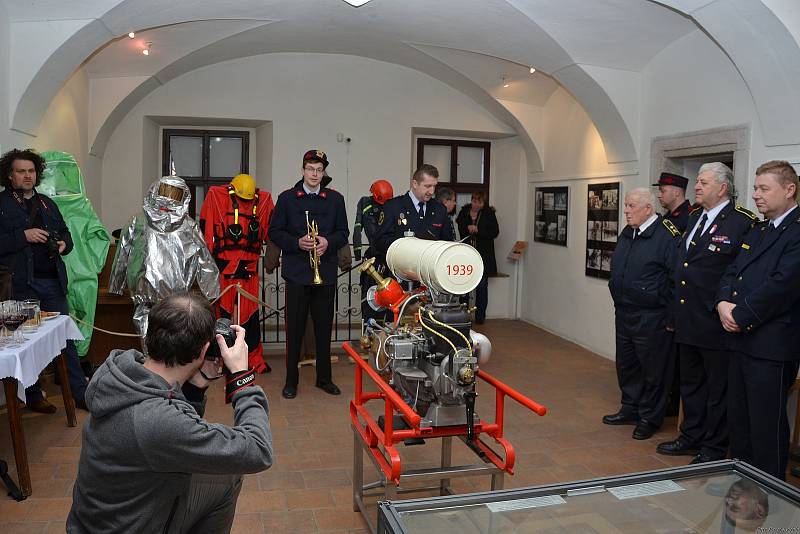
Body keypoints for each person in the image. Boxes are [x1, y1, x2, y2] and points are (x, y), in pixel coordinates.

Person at [67, 292, 273, 533]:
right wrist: (241, 377)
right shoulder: (156, 420)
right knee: (230, 470)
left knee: (226, 478)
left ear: (151, 334)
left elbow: (177, 429)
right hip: (128, 526)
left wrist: (195, 387)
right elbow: (258, 450)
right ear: (204, 350)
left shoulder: (121, 370)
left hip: (102, 519)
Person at [657, 162, 756, 465]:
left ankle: (713, 448)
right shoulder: (695, 217)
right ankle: (690, 437)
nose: (696, 187)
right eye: (697, 182)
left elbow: (741, 274)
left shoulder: (741, 222)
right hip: (687, 319)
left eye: (702, 182)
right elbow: (683, 266)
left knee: (717, 390)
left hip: (715, 323)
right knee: (691, 385)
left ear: (722, 187)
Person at [716, 160, 800, 480]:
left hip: (772, 345)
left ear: (789, 190)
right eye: (755, 188)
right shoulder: (759, 228)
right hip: (740, 340)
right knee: (739, 420)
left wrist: (739, 314)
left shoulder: (796, 232)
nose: (756, 195)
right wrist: (722, 303)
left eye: (764, 189)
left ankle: (769, 491)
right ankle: (741, 483)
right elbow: (731, 271)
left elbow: (783, 285)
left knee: (766, 424)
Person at [0, 148, 87, 412]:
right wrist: (22, 236)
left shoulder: (48, 203)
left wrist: (63, 245)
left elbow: (66, 236)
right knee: (22, 342)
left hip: (52, 282)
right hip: (18, 284)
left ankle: (80, 395)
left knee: (65, 341)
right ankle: (33, 396)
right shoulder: (2, 205)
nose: (27, 176)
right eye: (21, 171)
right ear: (9, 175)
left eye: (31, 171)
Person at [268, 150, 349, 399]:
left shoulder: (335, 199)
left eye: (319, 169)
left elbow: (343, 232)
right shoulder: (287, 198)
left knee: (325, 328)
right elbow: (275, 231)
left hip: (324, 273)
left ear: (323, 173)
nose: (314, 174)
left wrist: (328, 241)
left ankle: (324, 379)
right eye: (310, 169)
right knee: (295, 329)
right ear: (302, 170)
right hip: (296, 273)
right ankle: (291, 381)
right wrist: (296, 243)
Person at [603, 188, 681, 440]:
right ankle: (630, 408)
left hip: (653, 316)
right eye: (625, 205)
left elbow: (676, 279)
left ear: (648, 209)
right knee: (627, 365)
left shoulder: (667, 236)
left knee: (654, 370)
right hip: (624, 312)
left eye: (631, 206)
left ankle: (650, 417)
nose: (625, 211)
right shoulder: (629, 232)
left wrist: (671, 317)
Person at [109, 176, 220, 338]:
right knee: (173, 338)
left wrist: (116, 285)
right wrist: (212, 290)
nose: (168, 198)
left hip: (146, 294)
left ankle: (153, 362)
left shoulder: (138, 221)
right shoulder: (188, 226)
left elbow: (122, 254)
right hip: (176, 296)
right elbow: (204, 259)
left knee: (149, 338)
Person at [199, 173, 274, 374]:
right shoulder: (216, 196)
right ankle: (221, 357)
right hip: (225, 269)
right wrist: (214, 262)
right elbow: (206, 230)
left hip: (249, 269)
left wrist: (270, 260)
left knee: (250, 316)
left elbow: (272, 232)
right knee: (222, 316)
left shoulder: (265, 201)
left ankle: (252, 358)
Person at [374, 164, 455, 259]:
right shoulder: (393, 206)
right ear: (415, 184)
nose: (432, 191)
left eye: (434, 186)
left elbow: (447, 243)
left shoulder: (439, 209)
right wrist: (406, 246)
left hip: (429, 269)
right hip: (401, 267)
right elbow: (380, 241)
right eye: (428, 186)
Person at [456, 191, 499, 324]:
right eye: (474, 201)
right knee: (464, 286)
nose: (476, 204)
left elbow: (495, 232)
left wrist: (479, 231)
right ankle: (463, 315)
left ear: (483, 203)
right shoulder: (464, 211)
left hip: (483, 254)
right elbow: (460, 226)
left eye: (479, 202)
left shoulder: (489, 213)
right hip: (466, 252)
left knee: (481, 286)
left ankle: (480, 317)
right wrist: (467, 228)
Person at [353, 179, 394, 262]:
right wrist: (357, 251)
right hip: (376, 252)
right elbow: (357, 228)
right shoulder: (365, 203)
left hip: (389, 253)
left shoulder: (392, 206)